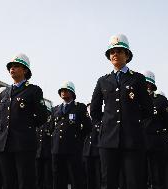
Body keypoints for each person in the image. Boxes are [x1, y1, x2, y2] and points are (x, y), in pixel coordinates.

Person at [90, 34, 153, 189]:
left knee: (134, 182)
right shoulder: (102, 81)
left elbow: (148, 109)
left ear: (127, 55)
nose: (115, 54)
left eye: (119, 51)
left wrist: (135, 127)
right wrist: (103, 127)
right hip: (108, 141)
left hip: (132, 140)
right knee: (108, 182)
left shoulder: (137, 79)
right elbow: (95, 110)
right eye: (112, 52)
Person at [0, 53, 48, 189]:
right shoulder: (4, 93)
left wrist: (26, 127)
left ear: (25, 70)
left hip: (24, 144)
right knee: (7, 182)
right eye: (10, 67)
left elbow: (42, 116)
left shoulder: (33, 90)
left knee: (26, 181)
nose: (12, 69)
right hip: (4, 144)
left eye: (16, 66)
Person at [51, 81, 92, 189]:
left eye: (66, 90)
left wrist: (77, 138)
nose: (63, 92)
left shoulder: (80, 107)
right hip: (57, 149)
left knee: (76, 178)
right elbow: (51, 128)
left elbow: (88, 127)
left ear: (72, 92)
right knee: (58, 178)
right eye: (61, 91)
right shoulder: (55, 109)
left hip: (73, 149)